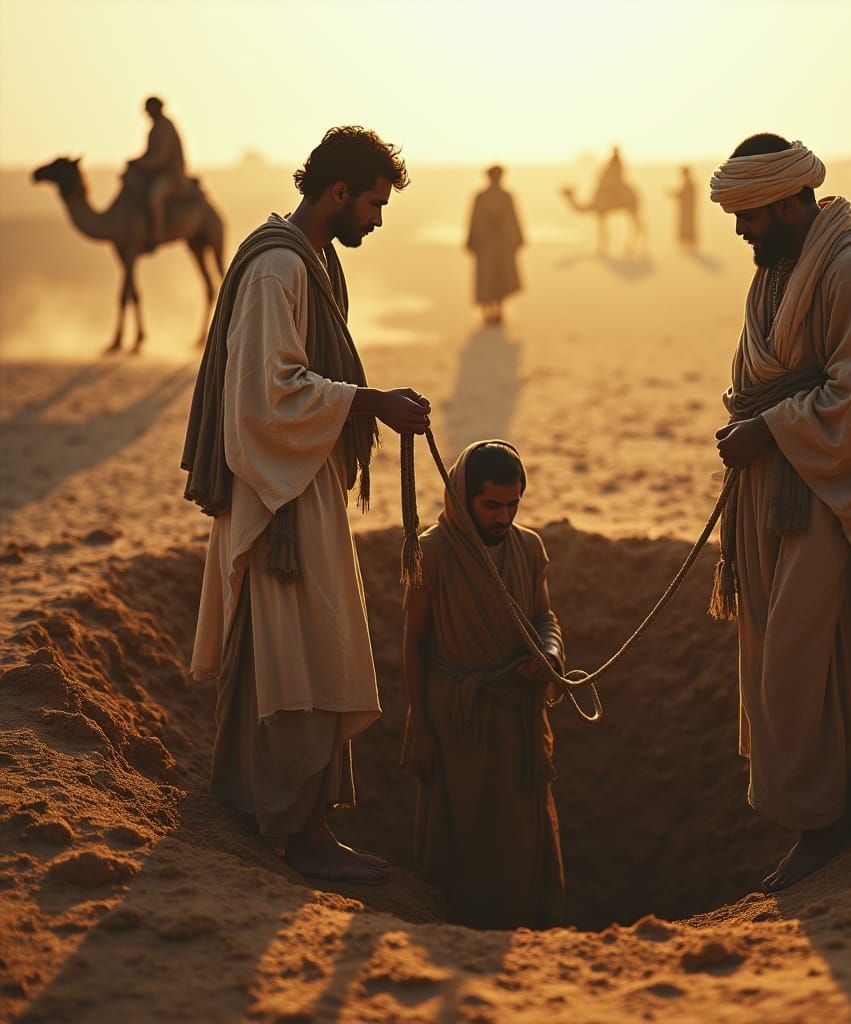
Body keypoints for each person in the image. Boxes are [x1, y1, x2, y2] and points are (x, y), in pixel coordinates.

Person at [182, 126, 431, 884]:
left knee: (319, 650)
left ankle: (310, 826)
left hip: (304, 478)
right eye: (373, 204)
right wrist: (371, 402)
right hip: (276, 492)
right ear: (336, 194)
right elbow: (266, 393)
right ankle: (298, 835)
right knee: (290, 660)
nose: (377, 220)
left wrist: (367, 404)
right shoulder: (277, 269)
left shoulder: (314, 260)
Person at [708, 134, 851, 893]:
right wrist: (756, 428)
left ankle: (826, 825)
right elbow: (764, 378)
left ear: (787, 201)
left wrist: (768, 429)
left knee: (802, 662)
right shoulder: (777, 271)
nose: (740, 229)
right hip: (782, 493)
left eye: (748, 213)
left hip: (836, 495)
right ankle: (838, 811)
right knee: (800, 653)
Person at [402, 440, 566, 928]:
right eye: (492, 505)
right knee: (461, 829)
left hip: (517, 715)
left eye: (513, 504)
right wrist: (420, 728)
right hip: (458, 718)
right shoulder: (430, 553)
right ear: (463, 498)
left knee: (520, 830)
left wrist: (549, 655)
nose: (503, 517)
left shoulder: (530, 546)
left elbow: (544, 619)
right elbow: (413, 642)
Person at [465, 165, 524, 325]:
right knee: (489, 278)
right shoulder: (488, 196)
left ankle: (497, 311)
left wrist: (518, 238)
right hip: (487, 244)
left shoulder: (502, 196)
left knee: (497, 278)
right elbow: (474, 220)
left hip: (499, 245)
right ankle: (489, 312)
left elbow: (514, 219)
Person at [128, 96, 189, 245]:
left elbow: (161, 158)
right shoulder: (155, 128)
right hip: (156, 173)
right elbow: (149, 153)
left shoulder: (165, 128)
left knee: (154, 197)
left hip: (170, 175)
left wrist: (141, 164)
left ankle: (158, 231)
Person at [668, 165, 697, 248]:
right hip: (687, 209)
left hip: (687, 209)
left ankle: (688, 242)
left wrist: (674, 194)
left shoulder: (689, 183)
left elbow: (683, 194)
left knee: (687, 225)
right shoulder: (689, 183)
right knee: (687, 224)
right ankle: (687, 242)